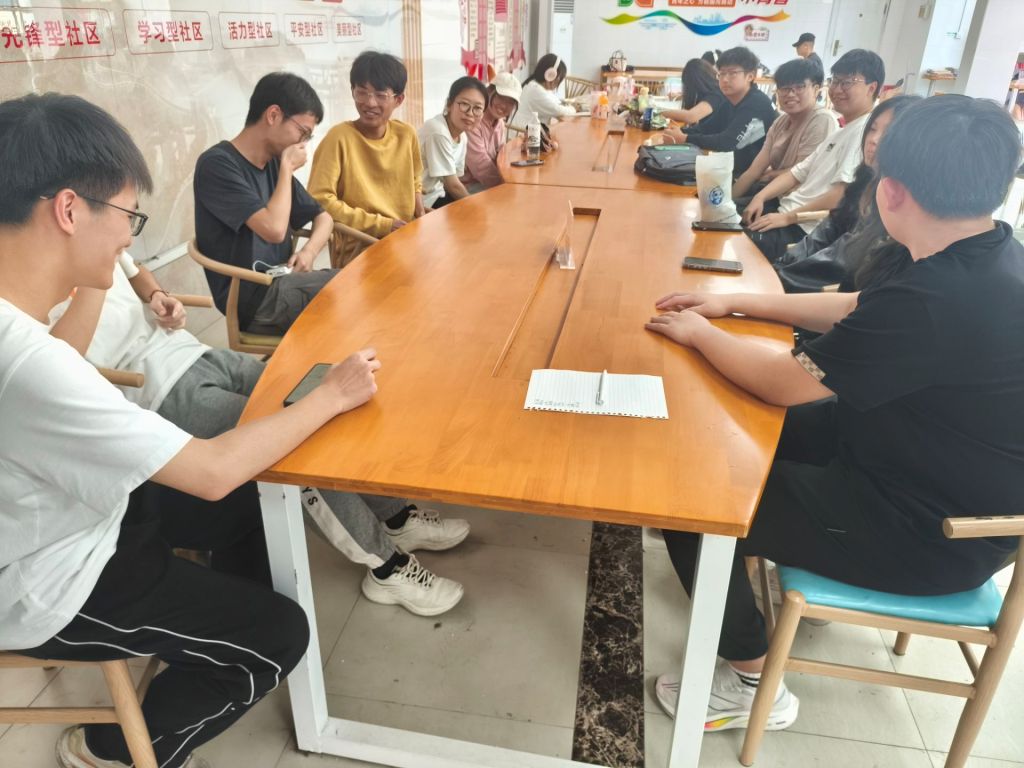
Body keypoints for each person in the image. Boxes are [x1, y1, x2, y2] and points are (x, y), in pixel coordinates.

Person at [0, 92, 385, 768]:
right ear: (68, 211)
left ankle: (210, 629)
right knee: (279, 634)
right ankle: (113, 750)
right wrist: (330, 396)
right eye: (127, 216)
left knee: (257, 501)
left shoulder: (23, 329)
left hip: (76, 510)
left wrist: (104, 277)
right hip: (50, 579)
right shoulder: (28, 362)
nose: (130, 238)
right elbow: (209, 471)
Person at [644, 95, 1024, 733]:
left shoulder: (938, 296)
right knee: (726, 430)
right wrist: (737, 304)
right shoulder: (985, 251)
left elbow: (780, 383)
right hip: (909, 456)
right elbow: (859, 308)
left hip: (928, 529)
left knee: (688, 498)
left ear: (889, 191)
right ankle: (735, 568)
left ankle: (751, 679)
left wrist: (699, 333)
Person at [48, 254, 469, 617]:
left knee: (322, 396)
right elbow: (56, 364)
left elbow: (135, 268)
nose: (124, 232)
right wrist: (93, 271)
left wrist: (157, 295)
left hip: (196, 352)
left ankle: (395, 517)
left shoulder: (98, 226)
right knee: (293, 445)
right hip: (158, 391)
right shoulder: (37, 267)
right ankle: (386, 567)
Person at [194, 72, 336, 335]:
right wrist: (287, 168)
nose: (303, 144)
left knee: (361, 283)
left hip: (284, 281)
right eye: (303, 132)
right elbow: (274, 230)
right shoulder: (217, 165)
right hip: (253, 299)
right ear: (273, 115)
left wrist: (308, 252)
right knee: (350, 294)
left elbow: (324, 218)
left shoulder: (271, 163)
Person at [742, 49, 884, 263]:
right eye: (835, 81)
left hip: (803, 229)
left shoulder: (863, 132)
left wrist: (787, 217)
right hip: (784, 213)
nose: (837, 89)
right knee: (723, 222)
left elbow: (841, 195)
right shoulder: (841, 131)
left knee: (733, 241)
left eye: (847, 82)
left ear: (871, 88)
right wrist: (760, 198)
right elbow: (796, 173)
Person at [774, 95, 920, 294]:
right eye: (873, 129)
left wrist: (779, 280)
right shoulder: (865, 180)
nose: (874, 140)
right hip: (813, 284)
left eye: (888, 133)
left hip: (836, 297)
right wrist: (782, 267)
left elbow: (842, 260)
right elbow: (829, 230)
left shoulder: (898, 202)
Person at [308, 51, 425, 267]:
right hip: (360, 248)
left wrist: (419, 211)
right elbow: (319, 200)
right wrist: (382, 225)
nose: (370, 103)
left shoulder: (406, 134)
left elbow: (415, 178)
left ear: (398, 100)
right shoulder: (339, 138)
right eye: (361, 93)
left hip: (405, 238)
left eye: (380, 95)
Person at [732, 58, 837, 204]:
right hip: (772, 195)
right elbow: (754, 171)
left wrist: (770, 175)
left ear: (815, 89)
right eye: (784, 88)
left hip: (796, 204)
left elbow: (803, 173)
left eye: (799, 87)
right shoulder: (780, 122)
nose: (791, 94)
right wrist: (726, 201)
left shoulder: (822, 120)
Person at [662, 47, 777, 177]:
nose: (725, 79)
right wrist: (679, 132)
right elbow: (707, 128)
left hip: (750, 175)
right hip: (730, 165)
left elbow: (727, 142)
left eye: (732, 73)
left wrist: (684, 138)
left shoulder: (756, 103)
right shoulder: (731, 99)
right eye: (722, 73)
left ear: (750, 76)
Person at [419, 76, 488, 209]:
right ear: (449, 104)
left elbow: (454, 181)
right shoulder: (438, 131)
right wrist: (475, 209)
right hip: (421, 201)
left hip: (437, 194)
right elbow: (453, 185)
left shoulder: (463, 137)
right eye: (464, 104)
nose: (470, 113)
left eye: (477, 108)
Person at [460, 72, 522, 191]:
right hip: (468, 186)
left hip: (489, 182)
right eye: (501, 97)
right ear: (488, 92)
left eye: (511, 102)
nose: (504, 105)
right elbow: (481, 167)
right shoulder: (473, 121)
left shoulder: (500, 123)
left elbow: (502, 155)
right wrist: (506, 185)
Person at [509, 53, 577, 130]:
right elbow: (559, 110)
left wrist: (568, 105)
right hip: (522, 134)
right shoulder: (535, 91)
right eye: (559, 79)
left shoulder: (535, 84)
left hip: (528, 131)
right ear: (551, 75)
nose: (559, 83)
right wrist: (574, 108)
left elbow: (555, 101)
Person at [659, 58, 728, 133]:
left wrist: (660, 113)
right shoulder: (713, 91)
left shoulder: (716, 95)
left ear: (696, 83)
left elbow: (691, 116)